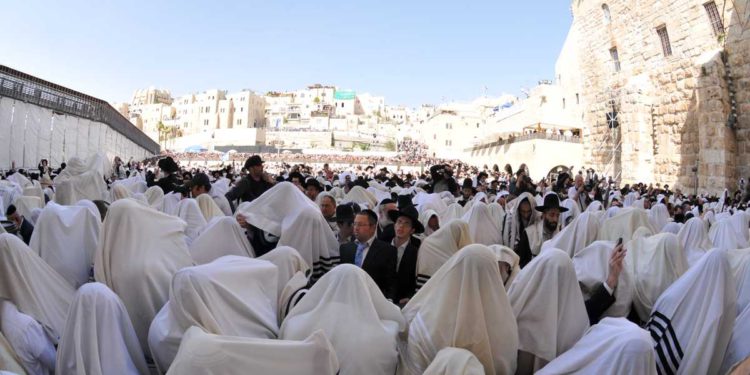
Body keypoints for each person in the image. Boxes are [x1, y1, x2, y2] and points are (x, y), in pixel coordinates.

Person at [339, 210, 398, 301]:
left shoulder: (387, 251)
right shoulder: (345, 249)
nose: (356, 228)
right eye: (355, 224)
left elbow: (390, 282)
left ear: (373, 228)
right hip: (348, 299)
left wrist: (389, 301)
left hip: (373, 301)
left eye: (360, 225)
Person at [517, 193, 566, 267]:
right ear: (544, 214)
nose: (555, 219)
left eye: (557, 215)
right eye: (552, 215)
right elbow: (522, 264)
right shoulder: (529, 234)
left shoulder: (562, 232)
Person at [388, 204, 423, 306]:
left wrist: (410, 297)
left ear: (412, 230)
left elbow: (416, 281)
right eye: (399, 222)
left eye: (406, 224)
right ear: (394, 224)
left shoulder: (416, 253)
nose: (401, 226)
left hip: (403, 302)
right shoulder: (382, 245)